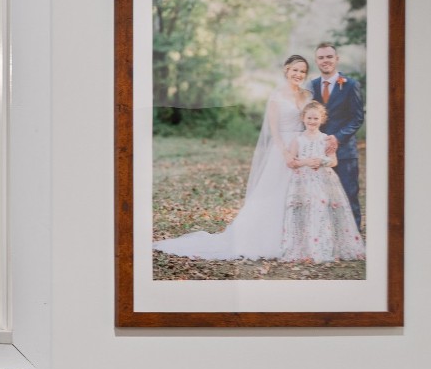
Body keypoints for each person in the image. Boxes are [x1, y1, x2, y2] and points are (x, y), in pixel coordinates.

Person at [155, 54, 313, 261]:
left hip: (303, 148)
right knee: (275, 192)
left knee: (298, 194)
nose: (298, 74)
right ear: (286, 70)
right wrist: (284, 150)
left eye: (302, 71)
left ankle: (298, 238)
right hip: (282, 149)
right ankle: (269, 237)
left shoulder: (308, 96)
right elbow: (273, 128)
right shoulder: (277, 96)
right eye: (295, 70)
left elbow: (312, 121)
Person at [281, 98, 365, 263]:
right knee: (306, 209)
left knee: (321, 207)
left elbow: (333, 161)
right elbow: (291, 162)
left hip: (323, 179)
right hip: (303, 180)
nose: (312, 121)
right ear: (303, 118)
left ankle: (324, 247)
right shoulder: (298, 140)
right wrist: (305, 162)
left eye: (316, 118)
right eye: (309, 118)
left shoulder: (326, 139)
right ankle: (306, 248)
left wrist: (321, 161)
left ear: (322, 119)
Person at [311, 42, 364, 230]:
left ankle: (354, 237)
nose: (325, 61)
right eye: (321, 57)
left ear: (336, 59)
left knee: (349, 194)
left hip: (345, 151)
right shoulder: (312, 86)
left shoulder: (350, 85)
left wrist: (337, 137)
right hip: (319, 151)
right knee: (322, 195)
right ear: (316, 61)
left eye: (329, 57)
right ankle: (328, 234)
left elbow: (357, 118)